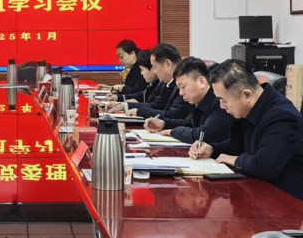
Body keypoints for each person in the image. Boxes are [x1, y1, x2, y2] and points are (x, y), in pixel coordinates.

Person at [188, 59, 303, 200]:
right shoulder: (249, 108)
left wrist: (235, 160)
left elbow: (264, 165)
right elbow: (239, 146)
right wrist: (212, 149)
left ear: (247, 95)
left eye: (223, 100)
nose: (222, 106)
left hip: (285, 201)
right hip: (257, 192)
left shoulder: (282, 116)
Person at [144, 57, 234, 144]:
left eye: (183, 87)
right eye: (179, 88)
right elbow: (188, 123)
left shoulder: (220, 101)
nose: (181, 93)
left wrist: (173, 132)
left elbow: (204, 134)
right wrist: (164, 123)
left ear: (202, 82)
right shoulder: (198, 101)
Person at [123, 43, 190, 119]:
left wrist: (139, 112)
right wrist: (128, 106)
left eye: (155, 67)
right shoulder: (165, 83)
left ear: (168, 64)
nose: (154, 72)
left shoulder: (183, 85)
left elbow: (173, 115)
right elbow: (156, 105)